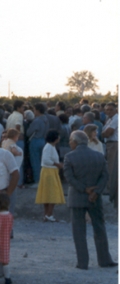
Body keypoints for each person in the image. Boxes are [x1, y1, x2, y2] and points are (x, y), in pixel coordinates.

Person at [64, 131, 117, 270]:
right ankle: (104, 259)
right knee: (99, 227)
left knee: (79, 231)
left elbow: (69, 178)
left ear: (74, 142)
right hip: (95, 197)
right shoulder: (98, 156)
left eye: (70, 140)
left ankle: (83, 262)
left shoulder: (69, 157)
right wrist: (96, 191)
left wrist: (84, 189)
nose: (69, 143)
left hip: (77, 197)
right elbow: (105, 176)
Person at [35, 130, 65, 222]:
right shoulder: (48, 147)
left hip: (50, 171)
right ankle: (49, 214)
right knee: (52, 193)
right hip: (49, 171)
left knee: (48, 193)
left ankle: (47, 214)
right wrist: (57, 164)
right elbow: (46, 160)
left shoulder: (51, 147)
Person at [26, 104, 49, 186]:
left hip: (35, 141)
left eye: (34, 110)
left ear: (38, 110)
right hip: (43, 140)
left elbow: (29, 132)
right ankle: (43, 180)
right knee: (42, 162)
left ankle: (37, 181)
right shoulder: (46, 119)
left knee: (35, 162)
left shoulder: (37, 120)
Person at [101, 103, 117, 209]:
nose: (109, 111)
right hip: (110, 144)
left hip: (114, 144)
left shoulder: (116, 119)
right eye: (107, 109)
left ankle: (113, 195)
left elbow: (108, 133)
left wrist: (102, 133)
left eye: (111, 109)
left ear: (116, 110)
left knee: (113, 170)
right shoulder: (110, 119)